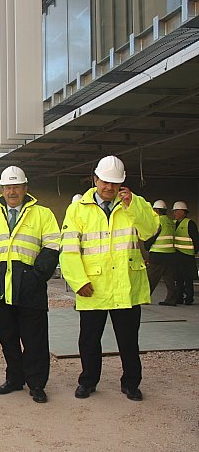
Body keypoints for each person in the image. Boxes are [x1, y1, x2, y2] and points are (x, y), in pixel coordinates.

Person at [60, 155, 158, 402]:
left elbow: (150, 231)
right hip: (93, 287)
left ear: (122, 184)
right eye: (104, 182)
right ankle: (88, 381)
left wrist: (133, 205)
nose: (109, 188)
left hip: (126, 286)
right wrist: (78, 281)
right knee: (89, 340)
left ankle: (131, 384)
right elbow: (69, 250)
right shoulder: (77, 210)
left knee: (129, 341)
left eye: (114, 183)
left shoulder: (134, 205)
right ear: (95, 179)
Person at [0, 166, 60, 403]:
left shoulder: (43, 214)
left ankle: (37, 383)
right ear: (1, 189)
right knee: (7, 336)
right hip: (0, 285)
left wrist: (36, 276)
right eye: (8, 187)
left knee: (35, 339)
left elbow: (52, 245)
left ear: (25, 188)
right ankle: (14, 379)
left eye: (17, 187)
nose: (12, 191)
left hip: (30, 284)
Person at [143, 200, 177, 306]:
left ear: (156, 210)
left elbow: (151, 236)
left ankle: (144, 298)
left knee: (150, 278)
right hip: (171, 255)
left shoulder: (157, 221)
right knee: (169, 279)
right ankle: (171, 300)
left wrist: (147, 247)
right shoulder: (170, 222)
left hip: (158, 254)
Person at [171, 201, 199, 305]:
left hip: (187, 255)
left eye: (177, 211)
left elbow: (196, 239)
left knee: (187, 278)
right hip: (177, 254)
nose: (175, 213)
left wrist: (195, 251)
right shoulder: (174, 224)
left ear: (183, 212)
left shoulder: (189, 223)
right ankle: (179, 297)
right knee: (178, 277)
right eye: (174, 211)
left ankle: (189, 298)